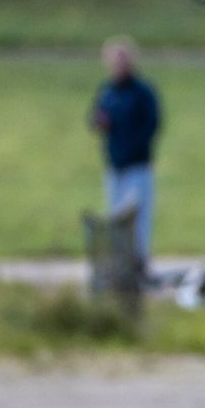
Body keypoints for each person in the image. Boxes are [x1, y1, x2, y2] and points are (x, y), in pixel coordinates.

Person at [90, 36, 161, 270]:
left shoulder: (141, 92)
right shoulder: (108, 92)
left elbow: (152, 124)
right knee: (115, 217)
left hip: (138, 163)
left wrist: (135, 145)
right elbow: (95, 118)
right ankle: (120, 264)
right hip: (115, 163)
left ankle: (139, 263)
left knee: (138, 218)